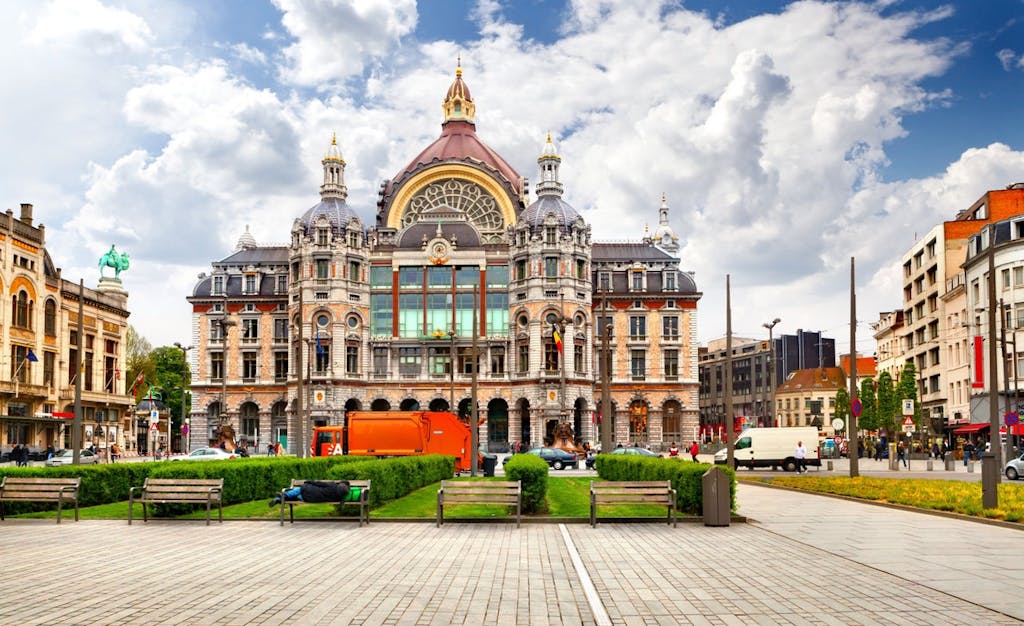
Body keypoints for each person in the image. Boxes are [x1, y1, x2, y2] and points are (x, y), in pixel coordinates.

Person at [268, 480, 359, 507]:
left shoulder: (332, 485)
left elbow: (318, 483)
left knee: (301, 488)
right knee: (297, 496)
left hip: (308, 492)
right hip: (308, 499)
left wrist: (309, 482)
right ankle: (279, 499)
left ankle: (283, 496)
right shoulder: (338, 498)